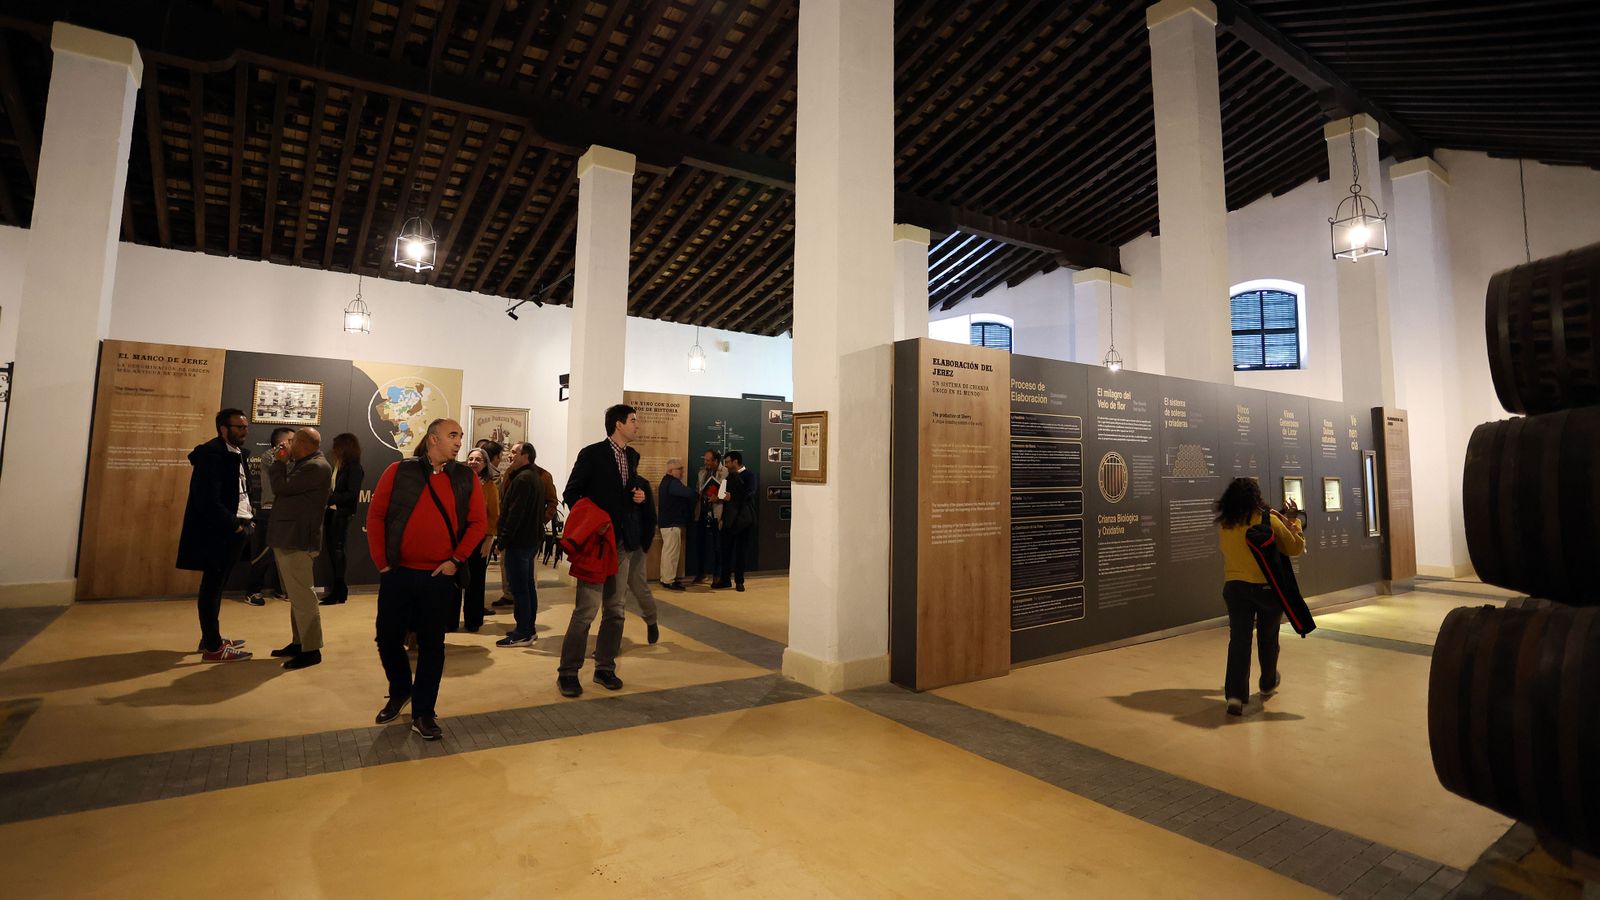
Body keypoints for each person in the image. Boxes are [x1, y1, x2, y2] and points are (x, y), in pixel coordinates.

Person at [366, 419, 486, 740]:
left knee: (433, 645)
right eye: (452, 435)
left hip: (438, 577)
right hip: (398, 572)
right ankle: (401, 689)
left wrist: (455, 560)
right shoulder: (399, 471)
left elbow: (478, 524)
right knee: (387, 638)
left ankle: (423, 712)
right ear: (433, 439)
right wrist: (382, 562)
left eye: (460, 436)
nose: (459, 442)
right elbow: (376, 515)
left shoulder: (466, 478)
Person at [556, 403, 658, 699]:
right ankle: (568, 672)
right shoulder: (592, 454)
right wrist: (592, 521)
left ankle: (605, 667)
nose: (638, 425)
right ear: (618, 424)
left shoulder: (632, 456)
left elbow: (623, 494)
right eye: (634, 421)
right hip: (598, 545)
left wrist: (637, 497)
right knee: (586, 611)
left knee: (615, 610)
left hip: (623, 544)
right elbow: (571, 493)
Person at [1214, 477, 1305, 717]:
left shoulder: (1226, 524)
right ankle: (1267, 682)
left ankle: (1235, 696)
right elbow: (1295, 548)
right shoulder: (1269, 520)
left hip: (1235, 588)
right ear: (1257, 497)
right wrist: (1292, 522)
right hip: (1267, 590)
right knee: (1268, 638)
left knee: (1239, 641)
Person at [176, 408, 255, 661]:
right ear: (223, 429)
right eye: (239, 427)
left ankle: (211, 638)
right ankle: (212, 647)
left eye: (245, 426)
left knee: (216, 586)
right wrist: (234, 525)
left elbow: (240, 491)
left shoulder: (237, 453)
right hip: (221, 532)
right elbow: (207, 500)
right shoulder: (212, 455)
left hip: (235, 527)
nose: (245, 431)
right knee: (212, 587)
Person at [265, 428, 333, 670]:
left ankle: (311, 649)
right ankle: (299, 642)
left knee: (303, 597)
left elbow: (281, 488)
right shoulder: (307, 463)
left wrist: (279, 464)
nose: (287, 446)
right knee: (296, 596)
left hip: (297, 540)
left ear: (302, 443)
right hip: (289, 538)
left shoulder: (316, 466)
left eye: (291, 441)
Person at [495, 442, 546, 648]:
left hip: (520, 542)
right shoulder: (532, 476)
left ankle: (523, 632)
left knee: (520, 589)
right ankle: (528, 629)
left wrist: (503, 541)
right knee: (526, 587)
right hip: (529, 540)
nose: (510, 456)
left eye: (514, 452)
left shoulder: (524, 479)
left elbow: (515, 514)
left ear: (526, 455)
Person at [245, 426, 295, 605]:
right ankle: (253, 591)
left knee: (283, 554)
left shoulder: (295, 459)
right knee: (264, 553)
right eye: (291, 440)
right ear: (281, 441)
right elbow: (282, 467)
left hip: (288, 510)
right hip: (270, 509)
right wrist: (282, 451)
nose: (294, 444)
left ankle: (279, 589)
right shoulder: (268, 456)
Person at [458, 443, 501, 632]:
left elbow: (493, 514)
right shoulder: (459, 481)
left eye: (478, 459)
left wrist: (489, 538)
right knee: (454, 579)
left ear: (485, 464)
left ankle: (473, 620)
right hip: (458, 537)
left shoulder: (489, 486)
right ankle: (449, 620)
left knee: (475, 581)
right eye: (471, 458)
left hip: (479, 538)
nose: (473, 462)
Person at [321, 432, 364, 606]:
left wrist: (329, 499)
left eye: (336, 446)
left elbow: (351, 494)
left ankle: (339, 590)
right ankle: (338, 590)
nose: (333, 449)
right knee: (333, 552)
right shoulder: (339, 465)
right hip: (332, 513)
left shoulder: (354, 468)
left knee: (337, 551)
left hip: (342, 514)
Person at [714, 450, 756, 592]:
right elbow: (724, 497)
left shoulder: (750, 476)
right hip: (729, 520)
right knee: (726, 551)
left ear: (735, 462)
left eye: (728, 462)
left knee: (741, 553)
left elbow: (749, 494)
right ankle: (725, 580)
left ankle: (739, 581)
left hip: (743, 521)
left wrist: (731, 497)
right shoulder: (728, 477)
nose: (726, 465)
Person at [657, 458, 696, 591]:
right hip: (671, 524)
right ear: (670, 470)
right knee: (671, 553)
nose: (682, 472)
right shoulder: (673, 483)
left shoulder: (666, 482)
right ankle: (669, 580)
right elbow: (689, 493)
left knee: (667, 552)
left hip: (667, 523)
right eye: (680, 469)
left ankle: (665, 578)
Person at [690, 449, 726, 585]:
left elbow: (728, 494)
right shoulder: (702, 472)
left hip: (717, 513)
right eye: (704, 459)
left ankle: (717, 574)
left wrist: (718, 497)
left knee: (718, 546)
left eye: (708, 460)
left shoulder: (725, 473)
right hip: (702, 512)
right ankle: (701, 573)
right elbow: (698, 489)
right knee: (700, 544)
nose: (705, 462)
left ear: (716, 461)